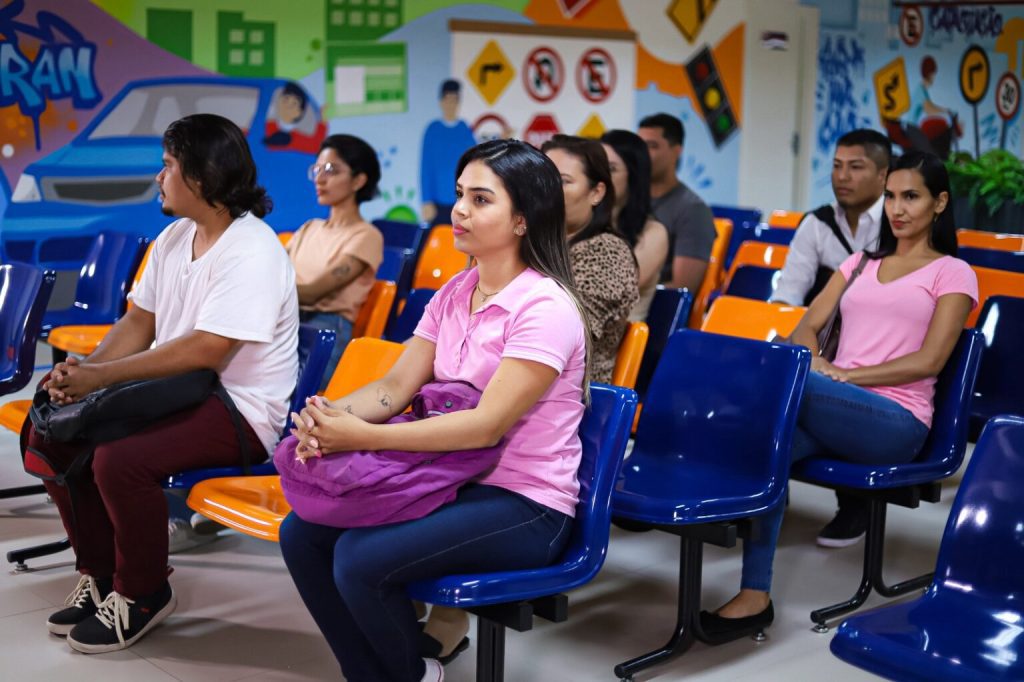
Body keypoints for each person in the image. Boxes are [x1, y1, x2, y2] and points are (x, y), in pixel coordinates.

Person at [279, 139, 590, 682]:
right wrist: (326, 417)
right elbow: (396, 385)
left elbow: (486, 426)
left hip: (526, 502)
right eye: (460, 194)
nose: (460, 210)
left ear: (522, 220)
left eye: (481, 199)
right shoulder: (455, 291)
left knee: (358, 559)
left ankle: (413, 675)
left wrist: (361, 436)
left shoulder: (546, 307)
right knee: (300, 535)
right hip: (452, 477)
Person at [29, 113, 299, 653]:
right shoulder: (176, 236)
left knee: (120, 460)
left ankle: (144, 592)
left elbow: (207, 351)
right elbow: (139, 322)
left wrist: (99, 378)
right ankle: (100, 576)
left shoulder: (253, 249)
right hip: (178, 390)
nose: (159, 176)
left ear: (201, 175)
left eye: (168, 165)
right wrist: (82, 374)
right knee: (54, 435)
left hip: (240, 409)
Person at [701, 151, 977, 638]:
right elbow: (806, 328)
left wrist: (845, 376)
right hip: (829, 401)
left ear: (939, 203)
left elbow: (930, 360)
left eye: (911, 197)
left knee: (780, 383)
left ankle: (711, 458)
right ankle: (754, 596)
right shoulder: (861, 262)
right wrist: (820, 365)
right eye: (891, 196)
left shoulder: (952, 272)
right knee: (774, 444)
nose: (897, 208)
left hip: (896, 421)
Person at [772, 129, 891, 548]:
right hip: (819, 342)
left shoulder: (898, 227)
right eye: (837, 166)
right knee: (771, 369)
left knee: (803, 393)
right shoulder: (817, 223)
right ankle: (766, 492)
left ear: (883, 175)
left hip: (874, 347)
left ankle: (854, 502)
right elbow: (788, 295)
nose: (842, 176)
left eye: (856, 167)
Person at [288, 134, 384, 390]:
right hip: (287, 319)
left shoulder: (367, 235)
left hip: (325, 330)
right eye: (317, 169)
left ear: (358, 180)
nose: (320, 178)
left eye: (331, 170)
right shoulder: (309, 227)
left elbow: (313, 293)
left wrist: (259, 290)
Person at [542, 134, 639, 383]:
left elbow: (562, 338)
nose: (548, 190)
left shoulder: (608, 254)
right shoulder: (530, 244)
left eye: (563, 181)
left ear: (596, 192)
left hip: (573, 394)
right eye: (542, 179)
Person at [637, 113, 716, 292]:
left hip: (651, 306)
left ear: (676, 151)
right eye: (640, 146)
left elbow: (681, 289)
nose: (642, 154)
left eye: (652, 146)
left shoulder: (694, 211)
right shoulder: (629, 200)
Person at [601, 129, 670, 321]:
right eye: (596, 167)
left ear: (634, 175)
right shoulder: (582, 224)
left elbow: (612, 291)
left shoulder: (654, 233)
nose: (600, 176)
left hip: (616, 334)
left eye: (611, 169)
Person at [420, 79, 477, 226]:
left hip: (462, 201)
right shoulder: (433, 130)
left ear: (459, 102)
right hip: (437, 204)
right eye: (447, 99)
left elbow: (475, 163)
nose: (450, 104)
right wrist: (426, 200)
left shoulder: (464, 129)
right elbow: (426, 168)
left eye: (454, 100)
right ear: (441, 102)